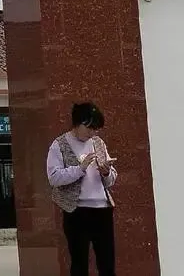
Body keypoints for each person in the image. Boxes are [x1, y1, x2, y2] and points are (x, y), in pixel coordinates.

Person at [47, 100, 118, 276]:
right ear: (77, 123)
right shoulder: (59, 144)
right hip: (76, 211)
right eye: (89, 128)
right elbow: (54, 177)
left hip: (102, 209)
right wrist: (80, 168)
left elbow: (110, 180)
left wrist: (106, 172)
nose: (92, 133)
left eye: (95, 129)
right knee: (79, 264)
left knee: (107, 263)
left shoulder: (98, 143)